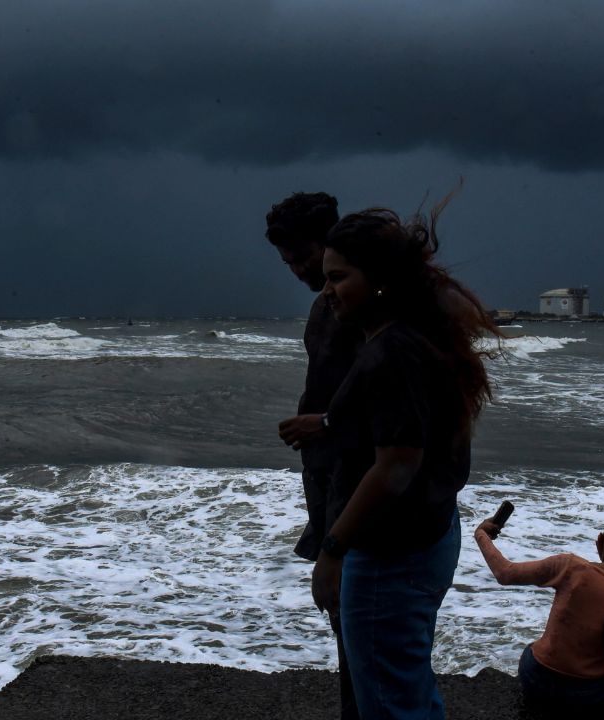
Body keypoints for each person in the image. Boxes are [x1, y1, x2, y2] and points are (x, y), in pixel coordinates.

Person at [310, 201, 498, 719]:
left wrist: (332, 552)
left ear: (381, 280)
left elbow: (395, 465)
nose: (326, 290)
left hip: (390, 554)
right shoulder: (417, 338)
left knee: (391, 705)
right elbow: (405, 426)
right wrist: (327, 424)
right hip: (429, 533)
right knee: (406, 689)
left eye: (338, 277)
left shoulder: (392, 350)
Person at [265, 191, 363, 719]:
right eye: (288, 262)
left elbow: (390, 410)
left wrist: (323, 425)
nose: (298, 269)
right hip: (330, 486)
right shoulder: (323, 307)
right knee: (347, 624)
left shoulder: (361, 311)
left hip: (356, 489)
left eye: (303, 256)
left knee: (360, 624)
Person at [474, 502, 604, 716]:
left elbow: (505, 572)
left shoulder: (572, 567)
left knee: (532, 649)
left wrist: (481, 533)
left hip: (540, 680)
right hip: (595, 695)